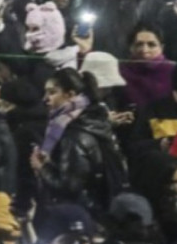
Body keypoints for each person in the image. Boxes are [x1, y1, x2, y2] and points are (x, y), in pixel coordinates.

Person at [30, 68, 128, 212]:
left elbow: (70, 187)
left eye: (52, 92)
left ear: (70, 95)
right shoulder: (95, 120)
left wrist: (41, 168)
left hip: (79, 213)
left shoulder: (73, 135)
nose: (45, 98)